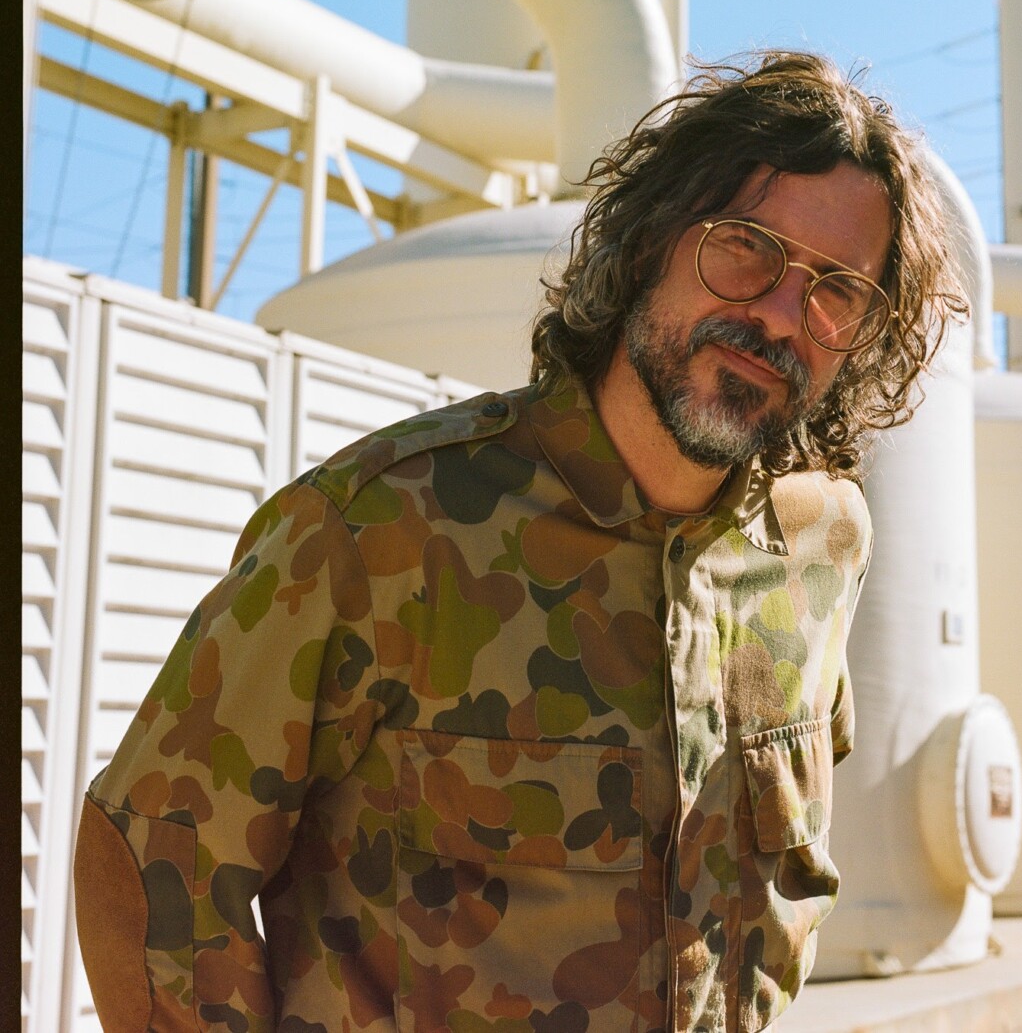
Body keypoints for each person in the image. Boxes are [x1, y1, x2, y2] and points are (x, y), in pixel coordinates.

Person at [73, 50, 968, 1033]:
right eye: (745, 247)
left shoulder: (821, 547)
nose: (779, 313)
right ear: (649, 242)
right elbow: (150, 852)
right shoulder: (387, 526)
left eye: (836, 290)